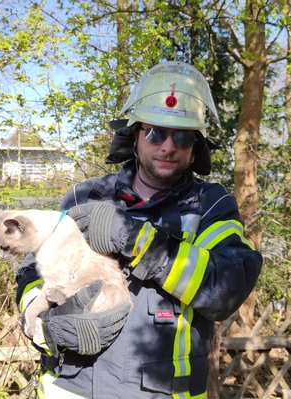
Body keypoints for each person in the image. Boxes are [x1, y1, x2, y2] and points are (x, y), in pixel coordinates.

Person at [15, 61, 263, 398]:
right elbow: (32, 267)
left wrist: (137, 238)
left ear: (195, 149)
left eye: (183, 137)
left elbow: (226, 289)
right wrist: (42, 319)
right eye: (156, 132)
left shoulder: (210, 206)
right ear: (135, 134)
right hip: (71, 388)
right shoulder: (84, 196)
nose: (168, 146)